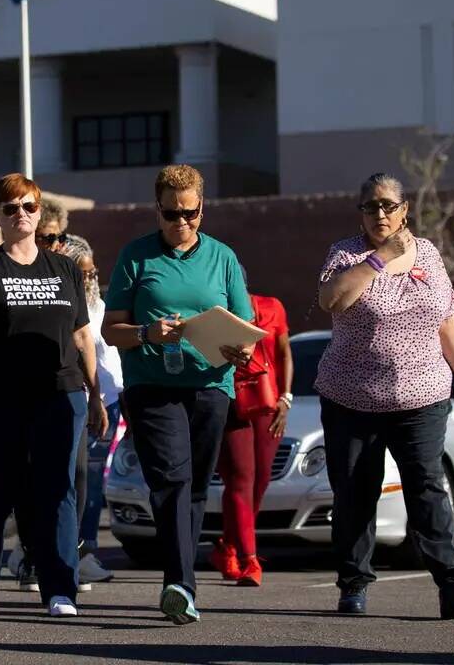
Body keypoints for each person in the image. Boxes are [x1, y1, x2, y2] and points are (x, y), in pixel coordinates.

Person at [316, 172, 454, 620]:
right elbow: (333, 300)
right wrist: (377, 260)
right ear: (361, 212)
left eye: (389, 205)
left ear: (405, 209)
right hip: (352, 398)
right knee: (355, 494)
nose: (380, 214)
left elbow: (444, 318)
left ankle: (451, 582)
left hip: (423, 397)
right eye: (371, 206)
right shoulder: (345, 253)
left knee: (427, 486)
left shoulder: (428, 252)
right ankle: (353, 584)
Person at [0, 173, 108, 618]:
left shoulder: (63, 269)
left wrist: (96, 395)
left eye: (29, 207)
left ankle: (60, 587)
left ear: (40, 213)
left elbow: (82, 337)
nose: (21, 214)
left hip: (60, 392)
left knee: (59, 490)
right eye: (11, 208)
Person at [102, 164, 255, 625]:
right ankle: (177, 583)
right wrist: (148, 332)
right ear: (158, 210)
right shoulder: (136, 256)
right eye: (171, 214)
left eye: (190, 213)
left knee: (193, 487)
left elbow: (247, 333)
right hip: (153, 387)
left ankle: (183, 585)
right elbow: (112, 331)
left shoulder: (223, 257)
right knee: (170, 479)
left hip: (211, 386)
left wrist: (240, 350)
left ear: (202, 207)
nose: (181, 223)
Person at [209, 292, 293, 587]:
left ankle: (228, 546)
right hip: (229, 403)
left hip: (266, 401)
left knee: (261, 480)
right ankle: (249, 559)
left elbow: (283, 352)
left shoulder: (272, 307)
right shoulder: (214, 314)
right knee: (240, 480)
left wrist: (286, 396)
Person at [61, 238, 123, 586]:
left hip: (108, 403)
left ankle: (85, 551)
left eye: (94, 271)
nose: (90, 277)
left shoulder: (101, 305)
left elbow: (110, 358)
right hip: (78, 402)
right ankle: (63, 550)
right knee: (72, 481)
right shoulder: (66, 309)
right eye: (84, 272)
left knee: (92, 484)